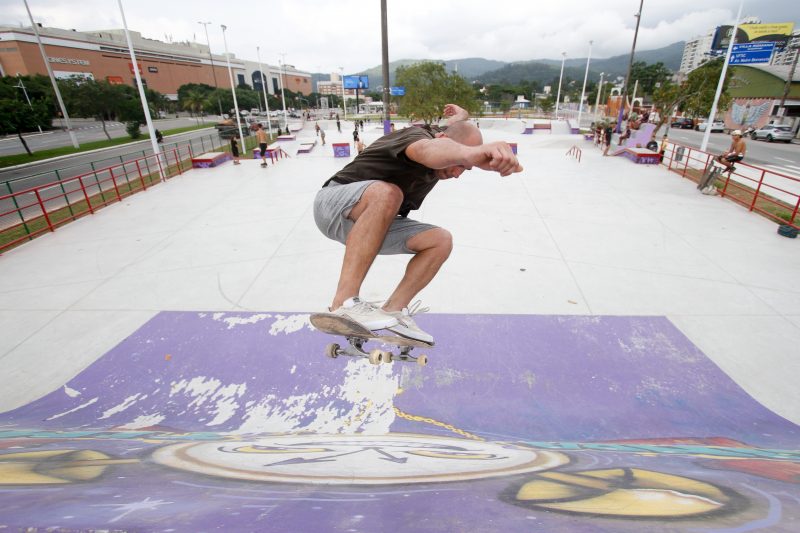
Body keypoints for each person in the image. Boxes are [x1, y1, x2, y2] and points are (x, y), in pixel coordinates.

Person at [313, 104, 523, 343]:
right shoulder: (417, 137)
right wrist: (468, 153)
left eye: (464, 170)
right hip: (333, 204)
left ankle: (393, 311)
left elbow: (449, 129)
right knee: (388, 193)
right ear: (443, 140)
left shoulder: (443, 133)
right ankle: (344, 303)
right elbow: (429, 149)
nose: (456, 174)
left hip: (369, 226)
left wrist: (463, 117)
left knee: (441, 240)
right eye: (459, 166)